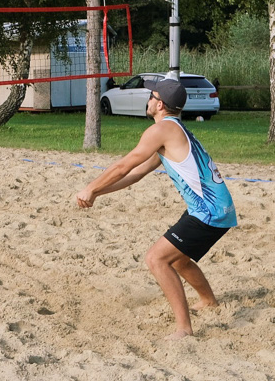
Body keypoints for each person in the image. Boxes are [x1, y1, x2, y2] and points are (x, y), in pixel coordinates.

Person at [76, 78, 238, 339]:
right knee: (180, 260)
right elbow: (136, 173)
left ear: (160, 104)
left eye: (151, 96)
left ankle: (184, 329)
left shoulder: (161, 130)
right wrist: (97, 193)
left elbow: (122, 166)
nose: (148, 100)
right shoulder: (173, 131)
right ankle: (208, 301)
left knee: (157, 259)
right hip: (215, 208)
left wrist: (91, 187)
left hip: (208, 211)